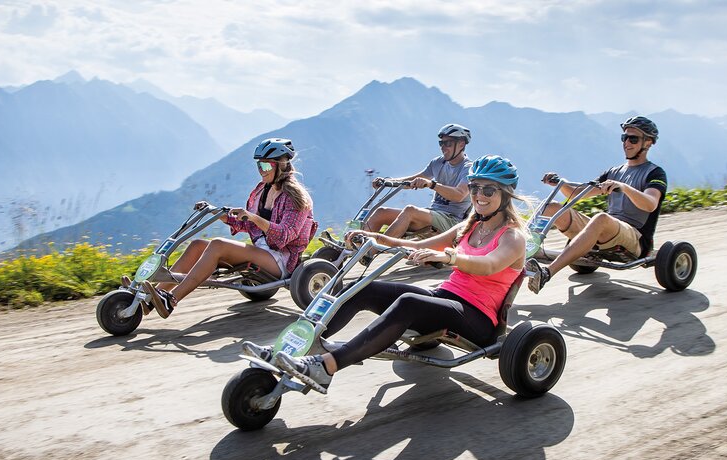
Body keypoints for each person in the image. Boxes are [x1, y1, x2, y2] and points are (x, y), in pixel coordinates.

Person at [243, 155, 527, 394]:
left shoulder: (513, 237)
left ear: (505, 194)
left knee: (408, 303)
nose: (478, 196)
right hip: (445, 299)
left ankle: (326, 367)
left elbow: (490, 264)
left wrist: (448, 256)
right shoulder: (471, 224)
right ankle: (296, 349)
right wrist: (376, 239)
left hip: (478, 318)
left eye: (488, 190)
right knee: (363, 288)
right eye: (475, 187)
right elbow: (417, 245)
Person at [141, 138, 318, 318]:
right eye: (259, 166)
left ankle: (171, 300)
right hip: (262, 251)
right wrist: (217, 213)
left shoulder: (296, 197)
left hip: (280, 259)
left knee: (218, 244)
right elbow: (247, 224)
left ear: (280, 165)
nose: (261, 171)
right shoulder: (262, 190)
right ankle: (152, 298)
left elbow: (285, 235)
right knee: (197, 245)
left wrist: (254, 217)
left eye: (265, 166)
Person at [525, 115, 668, 294]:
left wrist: (624, 188)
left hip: (635, 237)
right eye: (624, 138)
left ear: (648, 143)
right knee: (551, 207)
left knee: (600, 218)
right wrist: (560, 183)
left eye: (633, 138)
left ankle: (546, 273)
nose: (626, 143)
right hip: (606, 230)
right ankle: (515, 252)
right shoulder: (614, 172)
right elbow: (578, 193)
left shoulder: (655, 173)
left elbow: (650, 204)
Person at [363, 124, 474, 239]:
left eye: (448, 143)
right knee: (381, 212)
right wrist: (387, 182)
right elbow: (413, 180)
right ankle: (354, 250)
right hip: (431, 214)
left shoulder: (469, 168)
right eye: (441, 143)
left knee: (410, 211)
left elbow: (459, 195)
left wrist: (432, 184)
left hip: (452, 221)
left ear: (461, 144)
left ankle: (373, 250)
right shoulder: (437, 163)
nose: (443, 147)